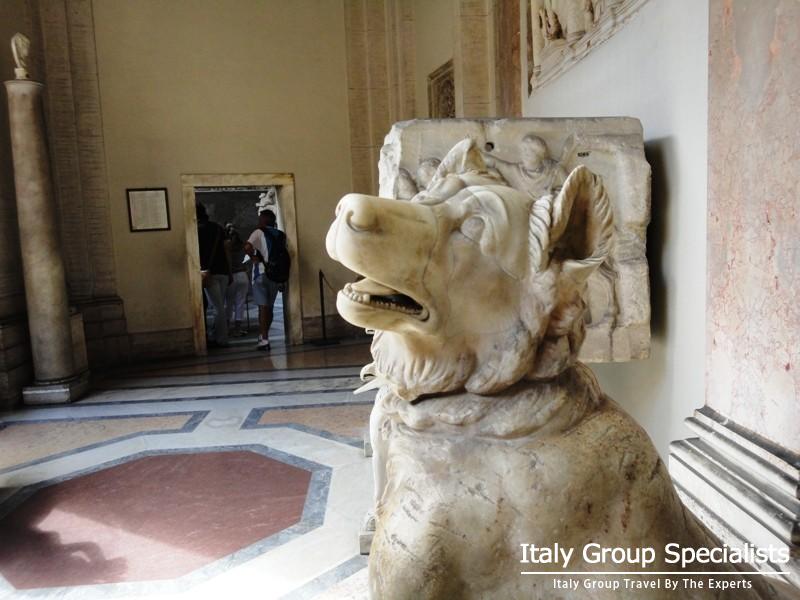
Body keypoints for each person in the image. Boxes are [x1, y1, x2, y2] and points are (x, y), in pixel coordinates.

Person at [244, 208, 284, 351]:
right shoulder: (280, 234)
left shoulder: (258, 232)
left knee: (262, 308)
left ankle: (264, 340)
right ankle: (263, 335)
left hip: (260, 273)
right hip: (275, 275)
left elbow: (247, 246)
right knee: (270, 307)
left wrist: (253, 256)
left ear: (263, 220)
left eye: (260, 218)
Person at [482, 134, 566, 197]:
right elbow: (495, 163)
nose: (525, 155)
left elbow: (569, 189)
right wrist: (476, 154)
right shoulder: (516, 171)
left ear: (540, 155)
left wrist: (553, 194)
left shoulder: (554, 171)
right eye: (523, 151)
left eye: (530, 152)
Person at [196, 203, 231, 347]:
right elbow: (227, 249)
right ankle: (217, 336)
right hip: (223, 271)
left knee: (217, 307)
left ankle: (221, 339)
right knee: (220, 305)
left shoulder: (196, 230)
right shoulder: (218, 228)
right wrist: (230, 271)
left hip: (208, 272)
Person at [224, 223, 250, 336]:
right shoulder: (242, 245)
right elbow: (248, 259)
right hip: (242, 275)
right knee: (240, 302)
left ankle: (226, 328)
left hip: (231, 275)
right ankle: (238, 329)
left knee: (228, 303)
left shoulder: (226, 245)